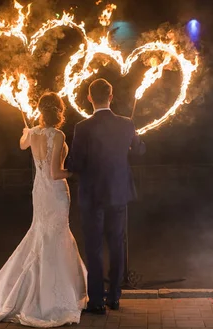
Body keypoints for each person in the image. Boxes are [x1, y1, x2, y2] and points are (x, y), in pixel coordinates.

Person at [0, 92, 88, 328]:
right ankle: (54, 297)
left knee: (42, 234)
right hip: (55, 192)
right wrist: (77, 172)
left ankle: (32, 289)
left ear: (40, 110)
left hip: (39, 191)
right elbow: (55, 173)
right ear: (59, 111)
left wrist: (25, 133)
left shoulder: (32, 133)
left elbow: (22, 146)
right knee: (57, 236)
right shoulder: (58, 135)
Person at [68, 78, 146, 315]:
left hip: (92, 195)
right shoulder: (127, 124)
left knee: (93, 248)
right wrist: (136, 138)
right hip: (118, 192)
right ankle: (114, 297)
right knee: (116, 244)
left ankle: (97, 302)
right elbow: (140, 150)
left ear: (90, 98)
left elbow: (75, 163)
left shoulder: (82, 128)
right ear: (111, 97)